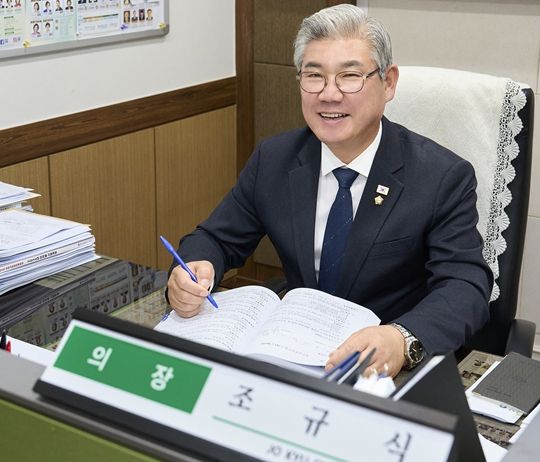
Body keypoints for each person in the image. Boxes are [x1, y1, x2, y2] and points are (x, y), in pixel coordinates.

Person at [166, 4, 492, 377]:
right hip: (293, 355)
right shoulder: (275, 159)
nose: (329, 94)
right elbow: (215, 239)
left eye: (349, 76)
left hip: (383, 370)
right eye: (314, 76)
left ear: (388, 83)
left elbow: (465, 286)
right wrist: (193, 269)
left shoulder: (440, 176)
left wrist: (401, 338)